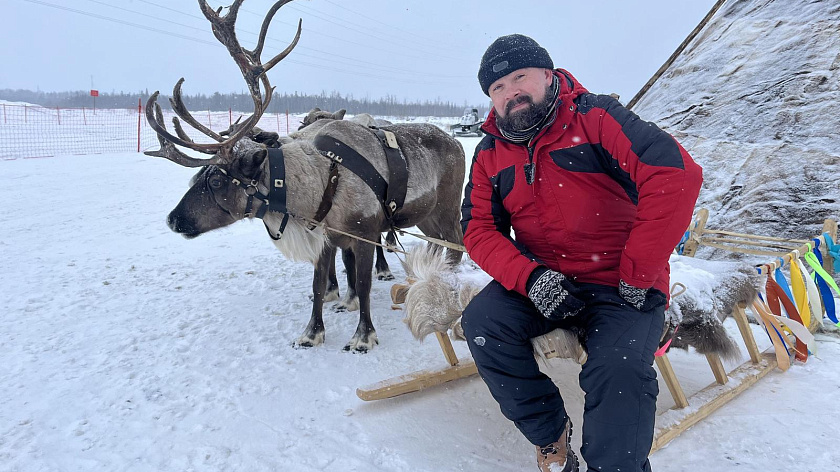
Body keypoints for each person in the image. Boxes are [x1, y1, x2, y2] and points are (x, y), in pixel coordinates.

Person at [460, 34, 703, 472]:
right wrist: (531, 278)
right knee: (481, 325)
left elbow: (675, 175)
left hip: (622, 282)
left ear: (548, 76)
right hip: (543, 282)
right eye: (497, 88)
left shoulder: (596, 118)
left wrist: (638, 273)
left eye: (520, 78)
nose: (510, 92)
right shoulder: (490, 154)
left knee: (620, 368)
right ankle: (549, 433)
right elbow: (478, 230)